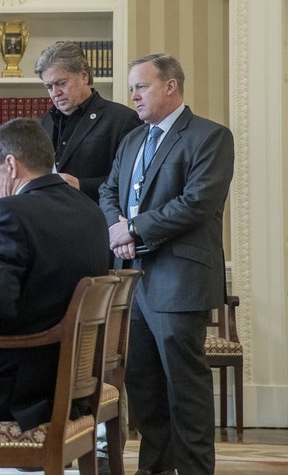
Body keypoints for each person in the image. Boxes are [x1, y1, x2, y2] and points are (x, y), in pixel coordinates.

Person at [99, 54, 233, 475]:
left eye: (141, 86)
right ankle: (153, 468)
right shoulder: (132, 140)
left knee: (184, 385)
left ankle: (195, 469)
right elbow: (108, 190)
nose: (132, 95)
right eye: (131, 88)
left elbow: (196, 203)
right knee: (143, 382)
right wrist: (117, 228)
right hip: (132, 279)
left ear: (171, 86)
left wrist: (133, 228)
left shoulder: (210, 137)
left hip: (181, 277)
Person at [0, 118, 109, 431]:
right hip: (70, 385)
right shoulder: (92, 212)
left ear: (11, 165)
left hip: (11, 390)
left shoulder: (6, 212)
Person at [36, 41, 142, 202]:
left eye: (61, 83)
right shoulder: (44, 122)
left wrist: (81, 185)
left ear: (84, 76)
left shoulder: (122, 120)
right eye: (49, 87)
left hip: (97, 219)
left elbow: (133, 181)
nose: (55, 93)